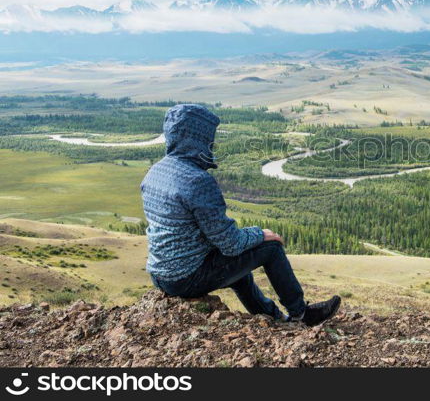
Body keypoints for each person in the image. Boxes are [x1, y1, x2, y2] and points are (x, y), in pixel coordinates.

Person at [141, 104, 340, 326]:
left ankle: (273, 318)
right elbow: (230, 244)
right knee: (271, 249)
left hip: (160, 274)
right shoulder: (197, 180)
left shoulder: (155, 171)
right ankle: (301, 314)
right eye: (209, 138)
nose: (212, 143)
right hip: (185, 278)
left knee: (238, 271)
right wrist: (261, 234)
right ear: (197, 138)